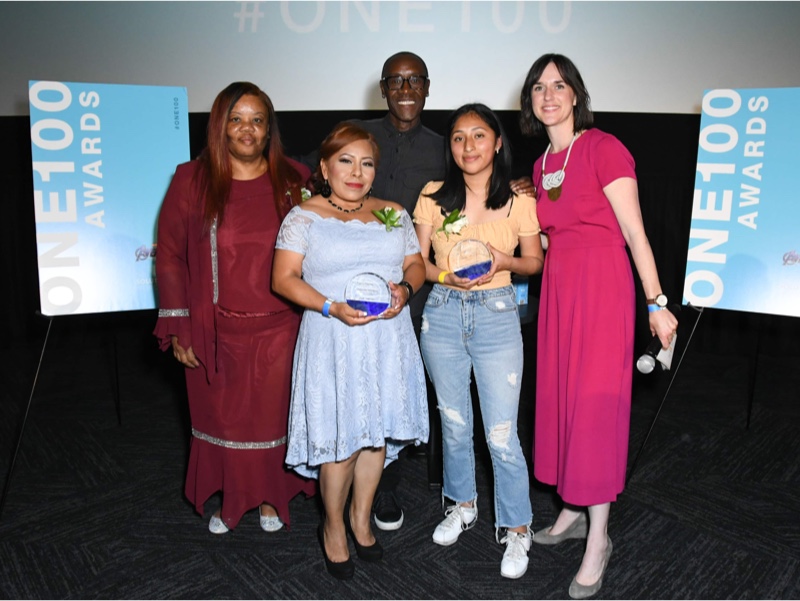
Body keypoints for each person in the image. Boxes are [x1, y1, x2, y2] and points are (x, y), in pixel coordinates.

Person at [518, 54, 679, 598]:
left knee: (592, 409)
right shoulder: (541, 165)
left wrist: (657, 302)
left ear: (576, 94)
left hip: (604, 293)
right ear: (530, 101)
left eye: (559, 85)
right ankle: (571, 510)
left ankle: (599, 538)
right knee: (562, 403)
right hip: (560, 296)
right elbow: (544, 240)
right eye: (539, 87)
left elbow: (636, 234)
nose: (549, 95)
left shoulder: (604, 147)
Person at [153, 82, 315, 534]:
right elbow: (169, 254)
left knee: (273, 420)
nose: (247, 129)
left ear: (269, 130)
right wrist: (178, 325)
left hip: (282, 330)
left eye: (257, 120)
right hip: (214, 330)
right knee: (222, 421)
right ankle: (231, 499)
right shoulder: (191, 180)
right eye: (237, 119)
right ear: (220, 126)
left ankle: (271, 497)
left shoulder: (296, 179)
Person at [272, 122, 429, 580]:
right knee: (340, 440)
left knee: (375, 435)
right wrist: (329, 306)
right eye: (346, 160)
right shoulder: (304, 217)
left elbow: (415, 264)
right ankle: (333, 526)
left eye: (366, 163)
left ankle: (362, 520)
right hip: (332, 336)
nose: (356, 172)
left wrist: (405, 288)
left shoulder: (394, 213)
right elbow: (282, 279)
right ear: (325, 167)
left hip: (386, 339)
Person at [413, 103, 544, 579]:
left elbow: (535, 262)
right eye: (459, 137)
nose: (469, 146)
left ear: (498, 142)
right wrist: (447, 273)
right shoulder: (432, 196)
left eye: (479, 136)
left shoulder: (518, 199)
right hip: (443, 314)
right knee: (452, 423)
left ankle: (516, 528)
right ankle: (462, 504)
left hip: (497, 316)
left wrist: (501, 261)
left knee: (501, 434)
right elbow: (415, 262)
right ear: (450, 147)